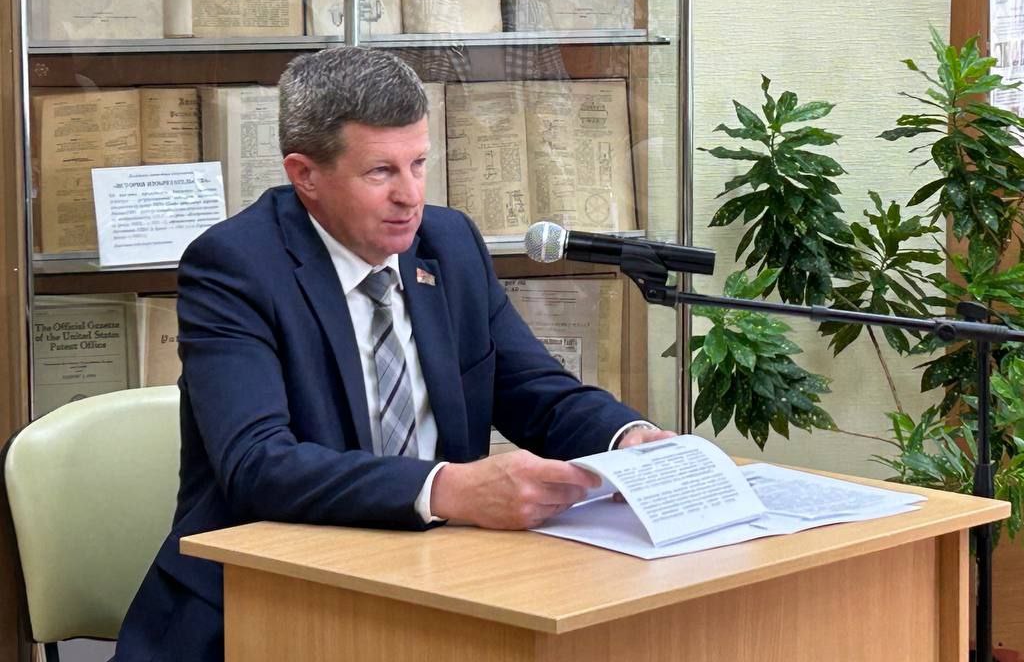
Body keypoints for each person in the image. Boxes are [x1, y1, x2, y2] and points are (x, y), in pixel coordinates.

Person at [114, 48, 673, 662]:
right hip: (267, 599)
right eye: (381, 172)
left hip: (437, 581)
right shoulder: (235, 267)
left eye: (419, 163)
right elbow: (257, 465)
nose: (410, 196)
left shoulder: (449, 243)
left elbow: (535, 391)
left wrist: (628, 439)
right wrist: (448, 489)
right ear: (305, 175)